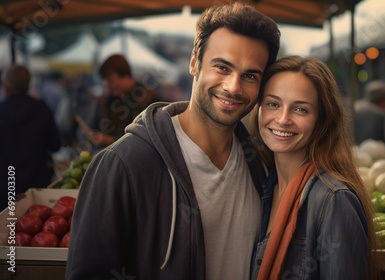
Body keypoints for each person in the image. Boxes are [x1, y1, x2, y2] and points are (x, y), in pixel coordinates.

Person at [65, 3, 280, 279]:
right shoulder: (122, 164)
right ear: (194, 62)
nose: (234, 87)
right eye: (222, 67)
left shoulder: (260, 164)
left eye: (250, 75)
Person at [249, 56, 378, 280]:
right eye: (273, 104)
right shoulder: (264, 186)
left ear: (321, 120)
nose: (283, 119)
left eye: (300, 110)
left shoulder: (335, 200)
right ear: (259, 109)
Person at [0, 65, 61, 208]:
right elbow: (55, 145)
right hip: (37, 187)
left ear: (6, 85)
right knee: (35, 229)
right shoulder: (42, 109)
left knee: (6, 228)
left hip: (5, 188)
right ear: (28, 84)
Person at [83, 54, 160, 147]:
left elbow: (149, 139)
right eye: (106, 82)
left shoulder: (149, 100)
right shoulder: (106, 101)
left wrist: (111, 141)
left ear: (126, 76)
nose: (108, 86)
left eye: (111, 81)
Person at [354, 80, 385, 155]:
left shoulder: (355, 107)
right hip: (377, 159)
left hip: (355, 155)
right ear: (383, 100)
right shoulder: (383, 115)